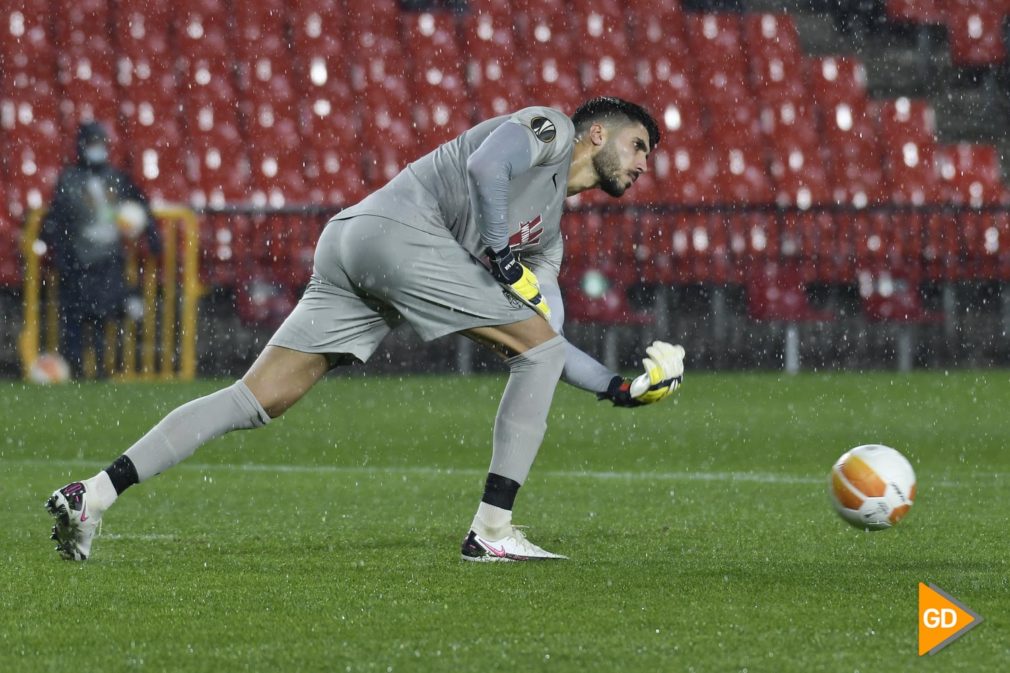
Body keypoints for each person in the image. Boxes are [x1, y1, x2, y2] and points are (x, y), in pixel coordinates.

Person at [46, 97, 686, 563]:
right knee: (534, 355)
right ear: (597, 134)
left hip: (351, 244)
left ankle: (94, 494)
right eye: (638, 147)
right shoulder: (549, 128)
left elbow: (546, 336)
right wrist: (499, 254)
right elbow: (488, 167)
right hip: (396, 237)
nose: (642, 165)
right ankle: (492, 528)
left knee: (256, 398)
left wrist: (619, 387)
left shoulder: (548, 241)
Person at [40, 121, 161, 378]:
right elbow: (55, 219)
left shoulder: (116, 178)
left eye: (100, 143)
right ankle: (76, 371)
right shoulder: (69, 180)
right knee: (74, 320)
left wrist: (152, 236)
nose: (97, 149)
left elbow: (141, 207)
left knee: (104, 318)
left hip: (108, 260)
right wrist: (54, 250)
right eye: (92, 143)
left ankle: (103, 371)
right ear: (81, 146)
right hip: (77, 261)